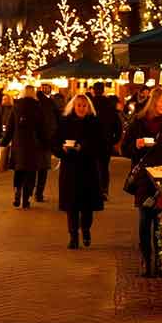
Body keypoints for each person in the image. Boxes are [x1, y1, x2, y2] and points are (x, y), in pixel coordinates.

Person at [122, 86, 162, 278]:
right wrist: (136, 144)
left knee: (160, 220)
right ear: (154, 101)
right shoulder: (139, 122)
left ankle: (159, 261)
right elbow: (124, 149)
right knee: (144, 219)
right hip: (144, 177)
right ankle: (145, 259)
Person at [55, 94, 107, 249]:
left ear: (89, 107)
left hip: (88, 169)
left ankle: (85, 229)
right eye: (78, 105)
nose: (81, 108)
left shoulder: (95, 123)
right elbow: (54, 141)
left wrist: (84, 148)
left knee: (87, 206)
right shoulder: (65, 122)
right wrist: (62, 149)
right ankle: (73, 236)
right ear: (73, 106)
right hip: (69, 168)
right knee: (71, 206)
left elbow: (102, 145)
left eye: (84, 106)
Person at [2, 86, 50, 209]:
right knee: (31, 173)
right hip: (34, 146)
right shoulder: (38, 108)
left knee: (19, 170)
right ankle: (26, 199)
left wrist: (4, 142)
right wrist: (46, 144)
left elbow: (10, 127)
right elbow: (42, 130)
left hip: (18, 145)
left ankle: (17, 191)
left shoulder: (16, 107)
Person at [90, 82, 122, 199]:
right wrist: (114, 140)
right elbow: (118, 125)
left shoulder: (90, 104)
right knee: (104, 167)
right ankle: (104, 190)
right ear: (103, 90)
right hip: (106, 141)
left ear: (94, 90)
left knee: (92, 166)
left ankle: (94, 189)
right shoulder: (109, 105)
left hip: (92, 141)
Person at [34, 84, 61, 202]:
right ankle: (39, 193)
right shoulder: (51, 103)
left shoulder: (33, 104)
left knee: (31, 167)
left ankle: (28, 191)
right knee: (43, 168)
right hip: (47, 139)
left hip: (33, 140)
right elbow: (57, 121)